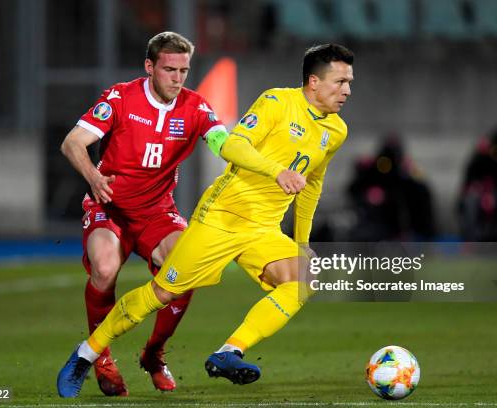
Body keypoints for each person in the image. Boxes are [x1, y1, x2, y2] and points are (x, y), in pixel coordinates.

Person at [57, 43, 354, 397]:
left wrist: (303, 243)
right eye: (340, 82)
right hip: (222, 218)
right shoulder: (276, 103)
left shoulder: (336, 130)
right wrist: (276, 171)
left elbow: (312, 185)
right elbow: (233, 147)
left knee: (302, 281)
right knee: (162, 292)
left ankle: (229, 352)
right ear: (313, 82)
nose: (347, 90)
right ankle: (85, 354)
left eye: (349, 82)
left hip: (262, 229)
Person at [59, 31, 228, 396]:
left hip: (157, 213)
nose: (177, 78)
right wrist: (93, 176)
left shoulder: (196, 108)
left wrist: (254, 160)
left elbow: (223, 142)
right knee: (104, 268)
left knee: (186, 270)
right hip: (111, 209)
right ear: (150, 66)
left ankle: (153, 354)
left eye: (184, 70)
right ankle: (99, 355)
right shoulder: (120, 98)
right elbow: (72, 142)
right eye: (169, 69)